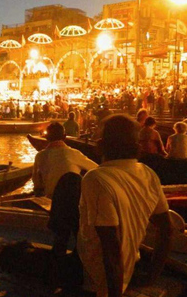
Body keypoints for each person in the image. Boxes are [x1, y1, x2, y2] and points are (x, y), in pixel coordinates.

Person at [78, 114, 171, 297]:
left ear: (101, 144)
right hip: (130, 267)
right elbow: (167, 229)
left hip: (96, 277)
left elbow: (111, 249)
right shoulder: (147, 173)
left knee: (69, 182)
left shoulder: (96, 179)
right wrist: (152, 275)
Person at [33, 122, 98, 255]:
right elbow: (96, 170)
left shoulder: (39, 156)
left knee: (60, 237)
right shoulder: (73, 153)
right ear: (64, 137)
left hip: (53, 203)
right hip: (72, 203)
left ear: (46, 138)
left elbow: (37, 185)